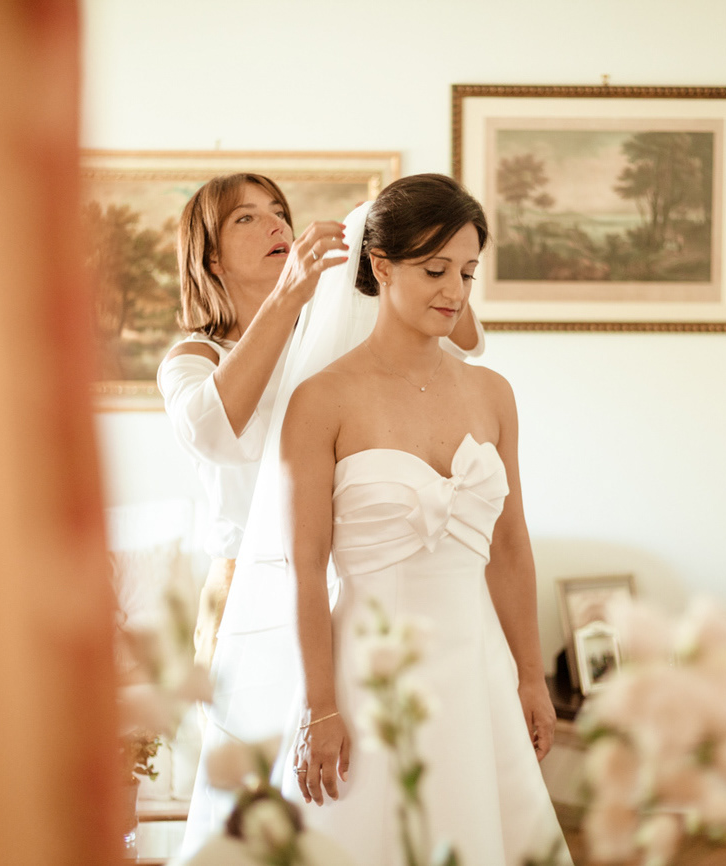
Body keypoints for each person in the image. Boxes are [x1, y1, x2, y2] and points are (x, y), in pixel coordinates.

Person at [156, 174, 484, 860]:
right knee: (259, 801)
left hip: (342, 592)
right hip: (248, 596)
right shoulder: (194, 358)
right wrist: (289, 295)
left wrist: (417, 251)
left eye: (278, 210)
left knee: (345, 800)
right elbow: (214, 432)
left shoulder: (330, 333)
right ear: (210, 255)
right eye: (246, 218)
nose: (275, 223)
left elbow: (466, 343)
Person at [279, 174, 571, 865]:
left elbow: (510, 545)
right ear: (381, 266)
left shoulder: (493, 394)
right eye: (435, 270)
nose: (455, 292)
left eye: (467, 272)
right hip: (368, 678)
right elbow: (305, 569)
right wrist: (321, 706)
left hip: (477, 672)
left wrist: (532, 676)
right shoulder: (321, 401)